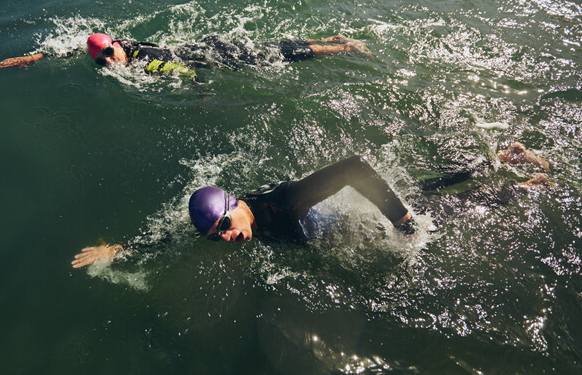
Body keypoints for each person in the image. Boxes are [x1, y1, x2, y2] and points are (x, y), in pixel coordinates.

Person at [70, 142, 550, 268]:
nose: (228, 236)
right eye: (217, 235)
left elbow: (356, 168)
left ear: (235, 204)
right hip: (335, 228)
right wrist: (120, 248)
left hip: (350, 220)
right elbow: (176, 235)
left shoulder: (283, 202)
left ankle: (523, 183)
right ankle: (500, 158)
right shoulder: (223, 224)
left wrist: (402, 223)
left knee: (439, 209)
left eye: (226, 224)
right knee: (428, 188)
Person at [0, 33, 372, 77]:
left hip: (216, 54)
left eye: (109, 54)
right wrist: (35, 57)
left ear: (115, 46)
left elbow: (188, 73)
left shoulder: (145, 59)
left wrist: (202, 95)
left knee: (281, 56)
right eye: (100, 61)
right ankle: (332, 39)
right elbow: (73, 49)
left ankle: (343, 46)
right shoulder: (122, 45)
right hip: (202, 47)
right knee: (276, 49)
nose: (109, 61)